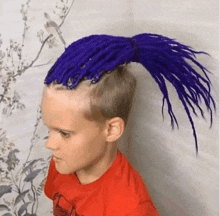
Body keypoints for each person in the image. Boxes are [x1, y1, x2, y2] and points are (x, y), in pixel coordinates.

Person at [41, 33, 215, 216]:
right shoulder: (64, 162)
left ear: (111, 129)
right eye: (49, 129)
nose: (49, 144)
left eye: (64, 133)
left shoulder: (130, 208)